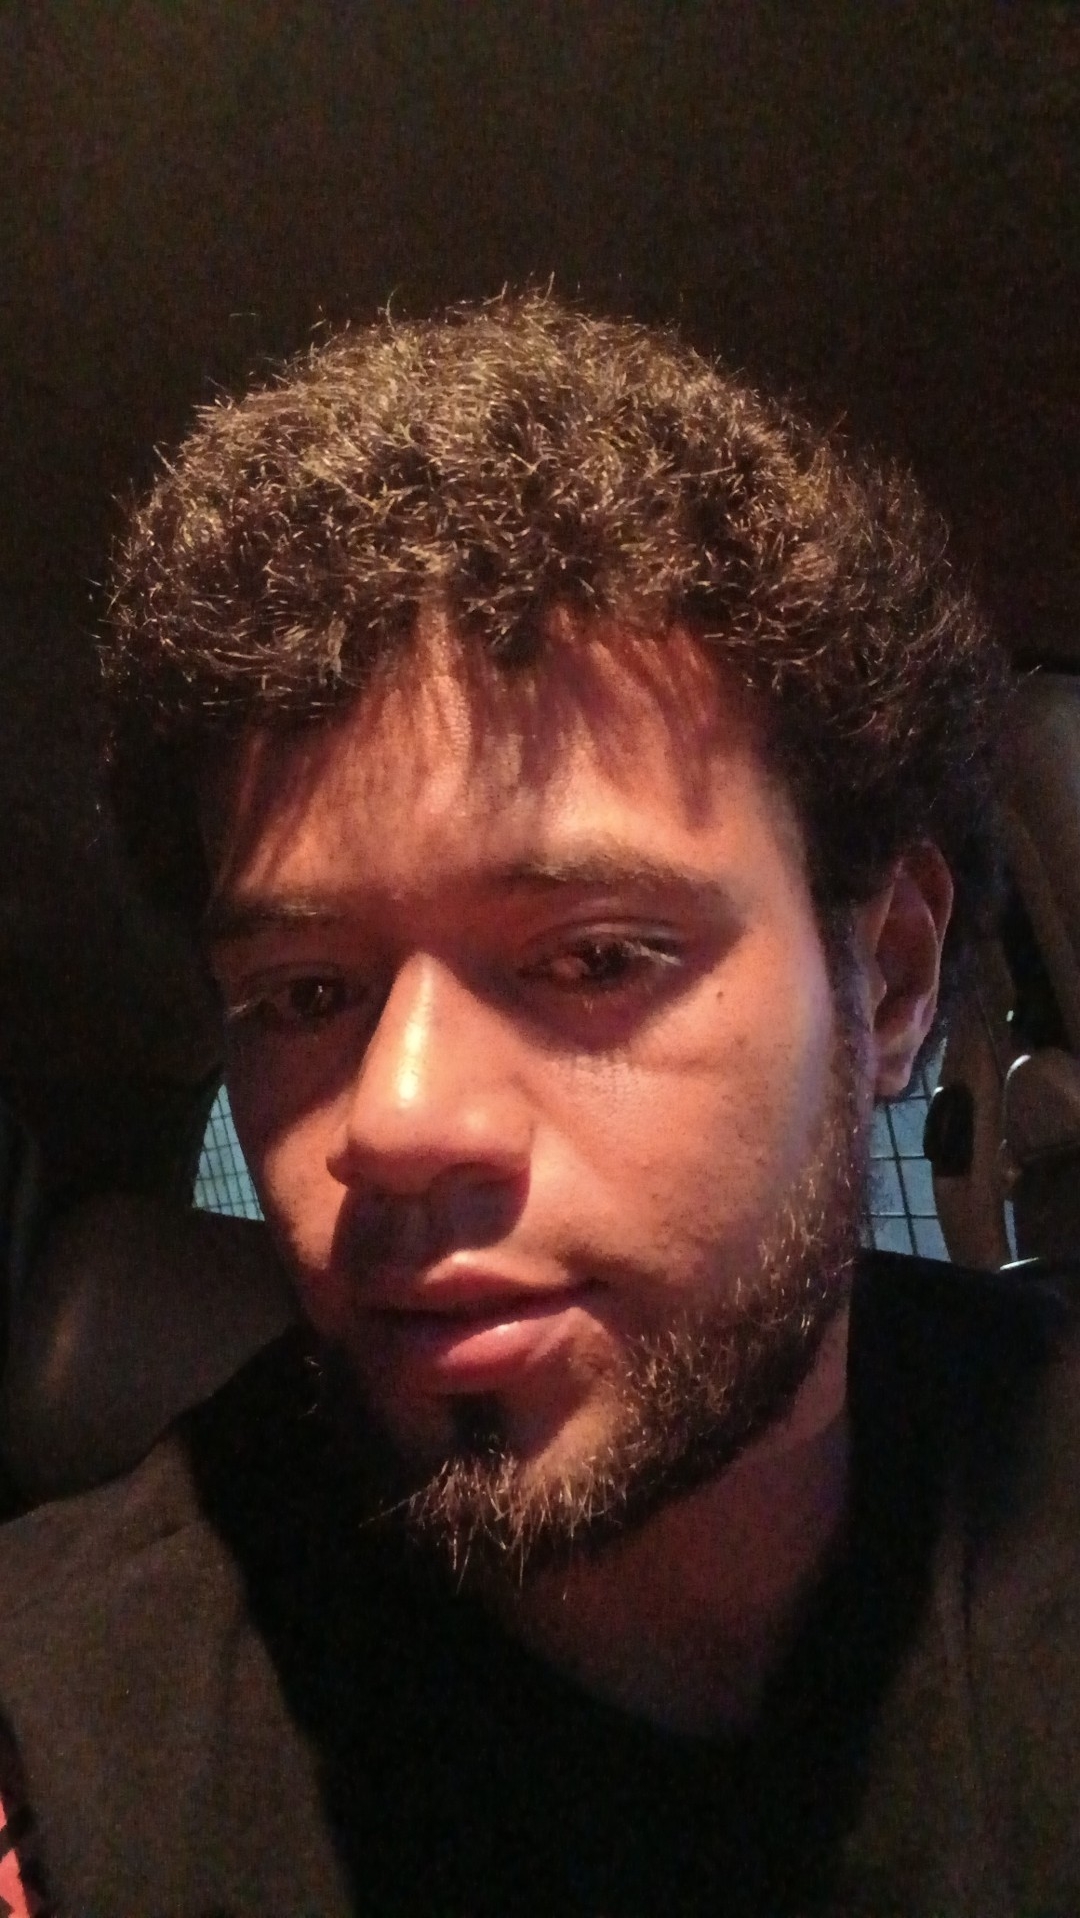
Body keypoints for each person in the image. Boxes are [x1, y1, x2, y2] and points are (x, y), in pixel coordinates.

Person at [0, 293, 1075, 1917]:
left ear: (893, 976)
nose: (392, 1120)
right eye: (305, 995)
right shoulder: (70, 1741)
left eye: (593, 958)